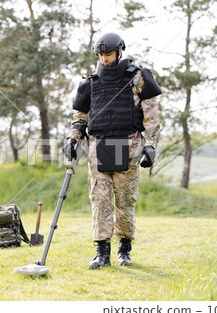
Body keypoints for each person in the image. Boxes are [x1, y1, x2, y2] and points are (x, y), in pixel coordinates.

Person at [63, 33, 161, 269]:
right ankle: (101, 252)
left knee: (125, 200)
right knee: (100, 200)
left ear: (119, 52)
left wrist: (150, 145)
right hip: (98, 147)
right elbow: (80, 117)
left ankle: (124, 250)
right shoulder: (90, 83)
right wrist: (73, 140)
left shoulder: (138, 77)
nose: (104, 59)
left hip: (129, 145)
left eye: (108, 55)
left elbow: (151, 115)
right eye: (101, 55)